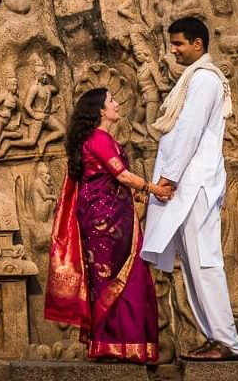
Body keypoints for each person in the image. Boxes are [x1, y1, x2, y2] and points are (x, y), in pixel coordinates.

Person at [140, 16, 238, 361]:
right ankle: (216, 337)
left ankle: (227, 342)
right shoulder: (192, 79)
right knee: (194, 263)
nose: (173, 51)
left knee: (205, 262)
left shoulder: (203, 80)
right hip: (189, 183)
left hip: (194, 183)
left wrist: (167, 179)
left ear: (197, 44)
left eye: (178, 44)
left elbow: (189, 131)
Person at [44, 87, 164, 364]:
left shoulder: (102, 139)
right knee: (119, 280)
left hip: (113, 219)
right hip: (105, 224)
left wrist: (139, 192)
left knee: (119, 280)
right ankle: (112, 345)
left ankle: (116, 346)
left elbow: (112, 180)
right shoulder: (99, 139)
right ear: (100, 110)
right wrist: (154, 188)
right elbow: (121, 176)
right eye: (112, 101)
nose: (117, 104)